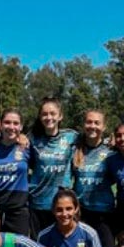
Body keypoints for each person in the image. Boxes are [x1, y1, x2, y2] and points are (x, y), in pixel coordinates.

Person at [29, 97, 79, 235]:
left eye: (52, 113)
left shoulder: (71, 137)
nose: (48, 117)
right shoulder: (32, 139)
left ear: (60, 116)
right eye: (44, 114)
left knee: (62, 246)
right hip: (37, 203)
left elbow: (93, 140)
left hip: (62, 206)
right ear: (40, 117)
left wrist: (110, 142)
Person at [72, 110, 116, 247]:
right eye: (89, 122)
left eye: (97, 123)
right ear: (84, 125)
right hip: (82, 212)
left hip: (105, 213)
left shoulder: (111, 151)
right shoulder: (74, 150)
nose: (93, 126)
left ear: (103, 127)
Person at [37, 188, 103, 247]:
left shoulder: (89, 234)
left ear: (76, 209)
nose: (64, 214)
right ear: (53, 211)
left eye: (69, 209)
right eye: (59, 210)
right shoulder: (44, 236)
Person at [0, 109, 32, 236]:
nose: (11, 127)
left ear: (21, 126)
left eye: (16, 123)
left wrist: (23, 137)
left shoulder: (27, 147)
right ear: (0, 124)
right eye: (7, 122)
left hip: (19, 209)